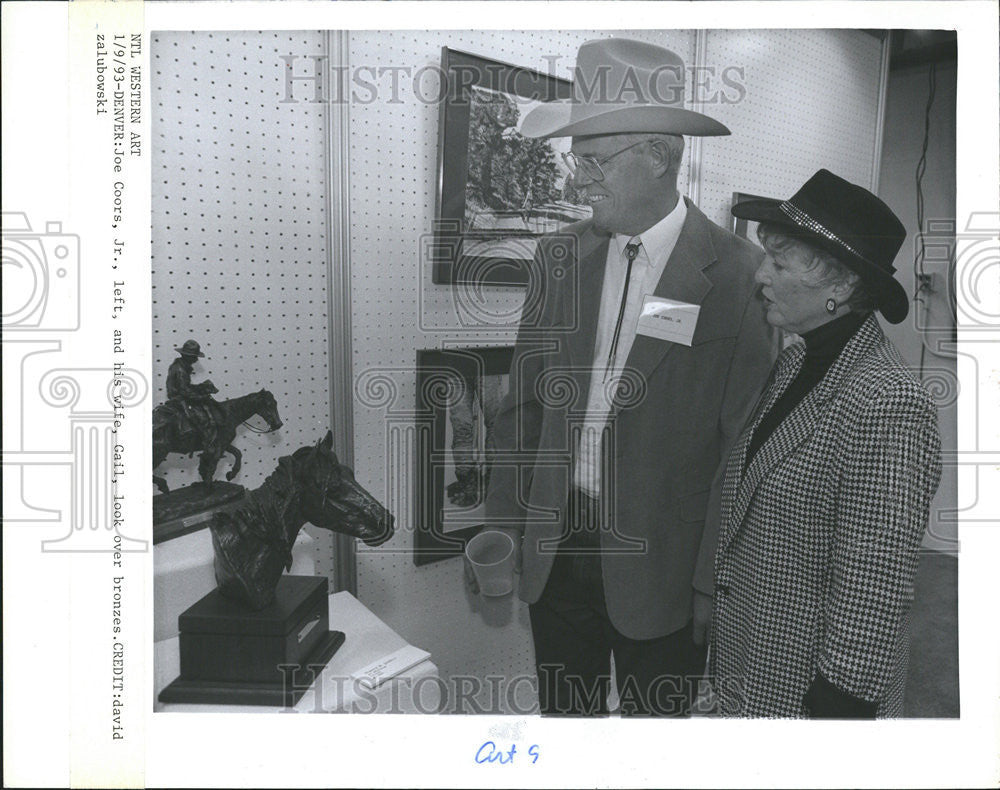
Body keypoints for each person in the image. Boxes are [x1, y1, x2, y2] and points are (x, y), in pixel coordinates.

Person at [471, 38, 777, 716]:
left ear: (660, 157)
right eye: (575, 159)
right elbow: (519, 410)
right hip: (558, 556)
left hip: (665, 571)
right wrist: (505, 530)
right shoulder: (557, 260)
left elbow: (742, 450)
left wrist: (712, 585)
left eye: (594, 160)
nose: (577, 180)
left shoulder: (737, 277)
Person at [705, 169, 942, 718]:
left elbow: (875, 581)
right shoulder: (795, 362)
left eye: (779, 263)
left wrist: (840, 709)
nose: (760, 275)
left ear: (840, 286)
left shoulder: (886, 400)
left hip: (814, 694)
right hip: (757, 662)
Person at [165, 339, 219, 445]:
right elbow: (183, 390)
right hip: (178, 398)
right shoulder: (180, 369)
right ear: (188, 356)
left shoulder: (181, 366)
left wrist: (200, 387)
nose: (196, 360)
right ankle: (205, 442)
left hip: (179, 395)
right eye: (195, 357)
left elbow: (184, 386)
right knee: (201, 417)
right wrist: (201, 396)